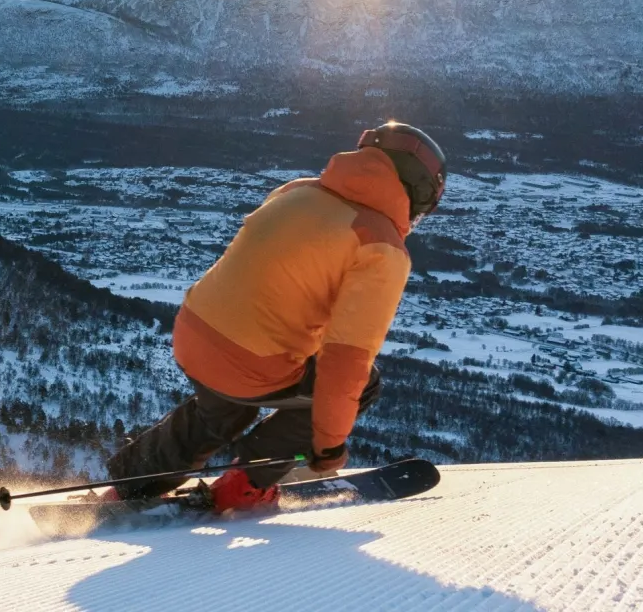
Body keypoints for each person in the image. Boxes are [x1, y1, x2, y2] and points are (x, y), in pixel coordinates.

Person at [103, 121, 447, 513]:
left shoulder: (298, 190)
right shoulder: (381, 245)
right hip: (253, 363)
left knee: (220, 410)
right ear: (417, 193)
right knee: (364, 383)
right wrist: (329, 447)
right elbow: (345, 362)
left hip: (193, 331)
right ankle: (247, 482)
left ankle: (129, 487)